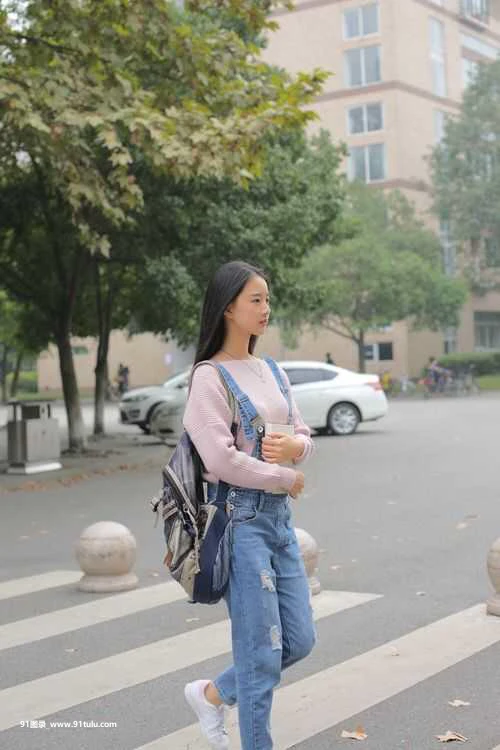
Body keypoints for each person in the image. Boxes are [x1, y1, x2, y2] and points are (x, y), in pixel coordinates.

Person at [183, 260, 316, 750]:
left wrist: (297, 448)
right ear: (228, 308)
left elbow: (302, 433)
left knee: (299, 640)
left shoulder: (272, 370)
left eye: (267, 299)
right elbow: (219, 458)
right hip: (239, 523)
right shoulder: (209, 377)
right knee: (260, 657)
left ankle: (211, 695)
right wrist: (284, 476)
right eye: (255, 300)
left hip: (279, 520)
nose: (266, 309)